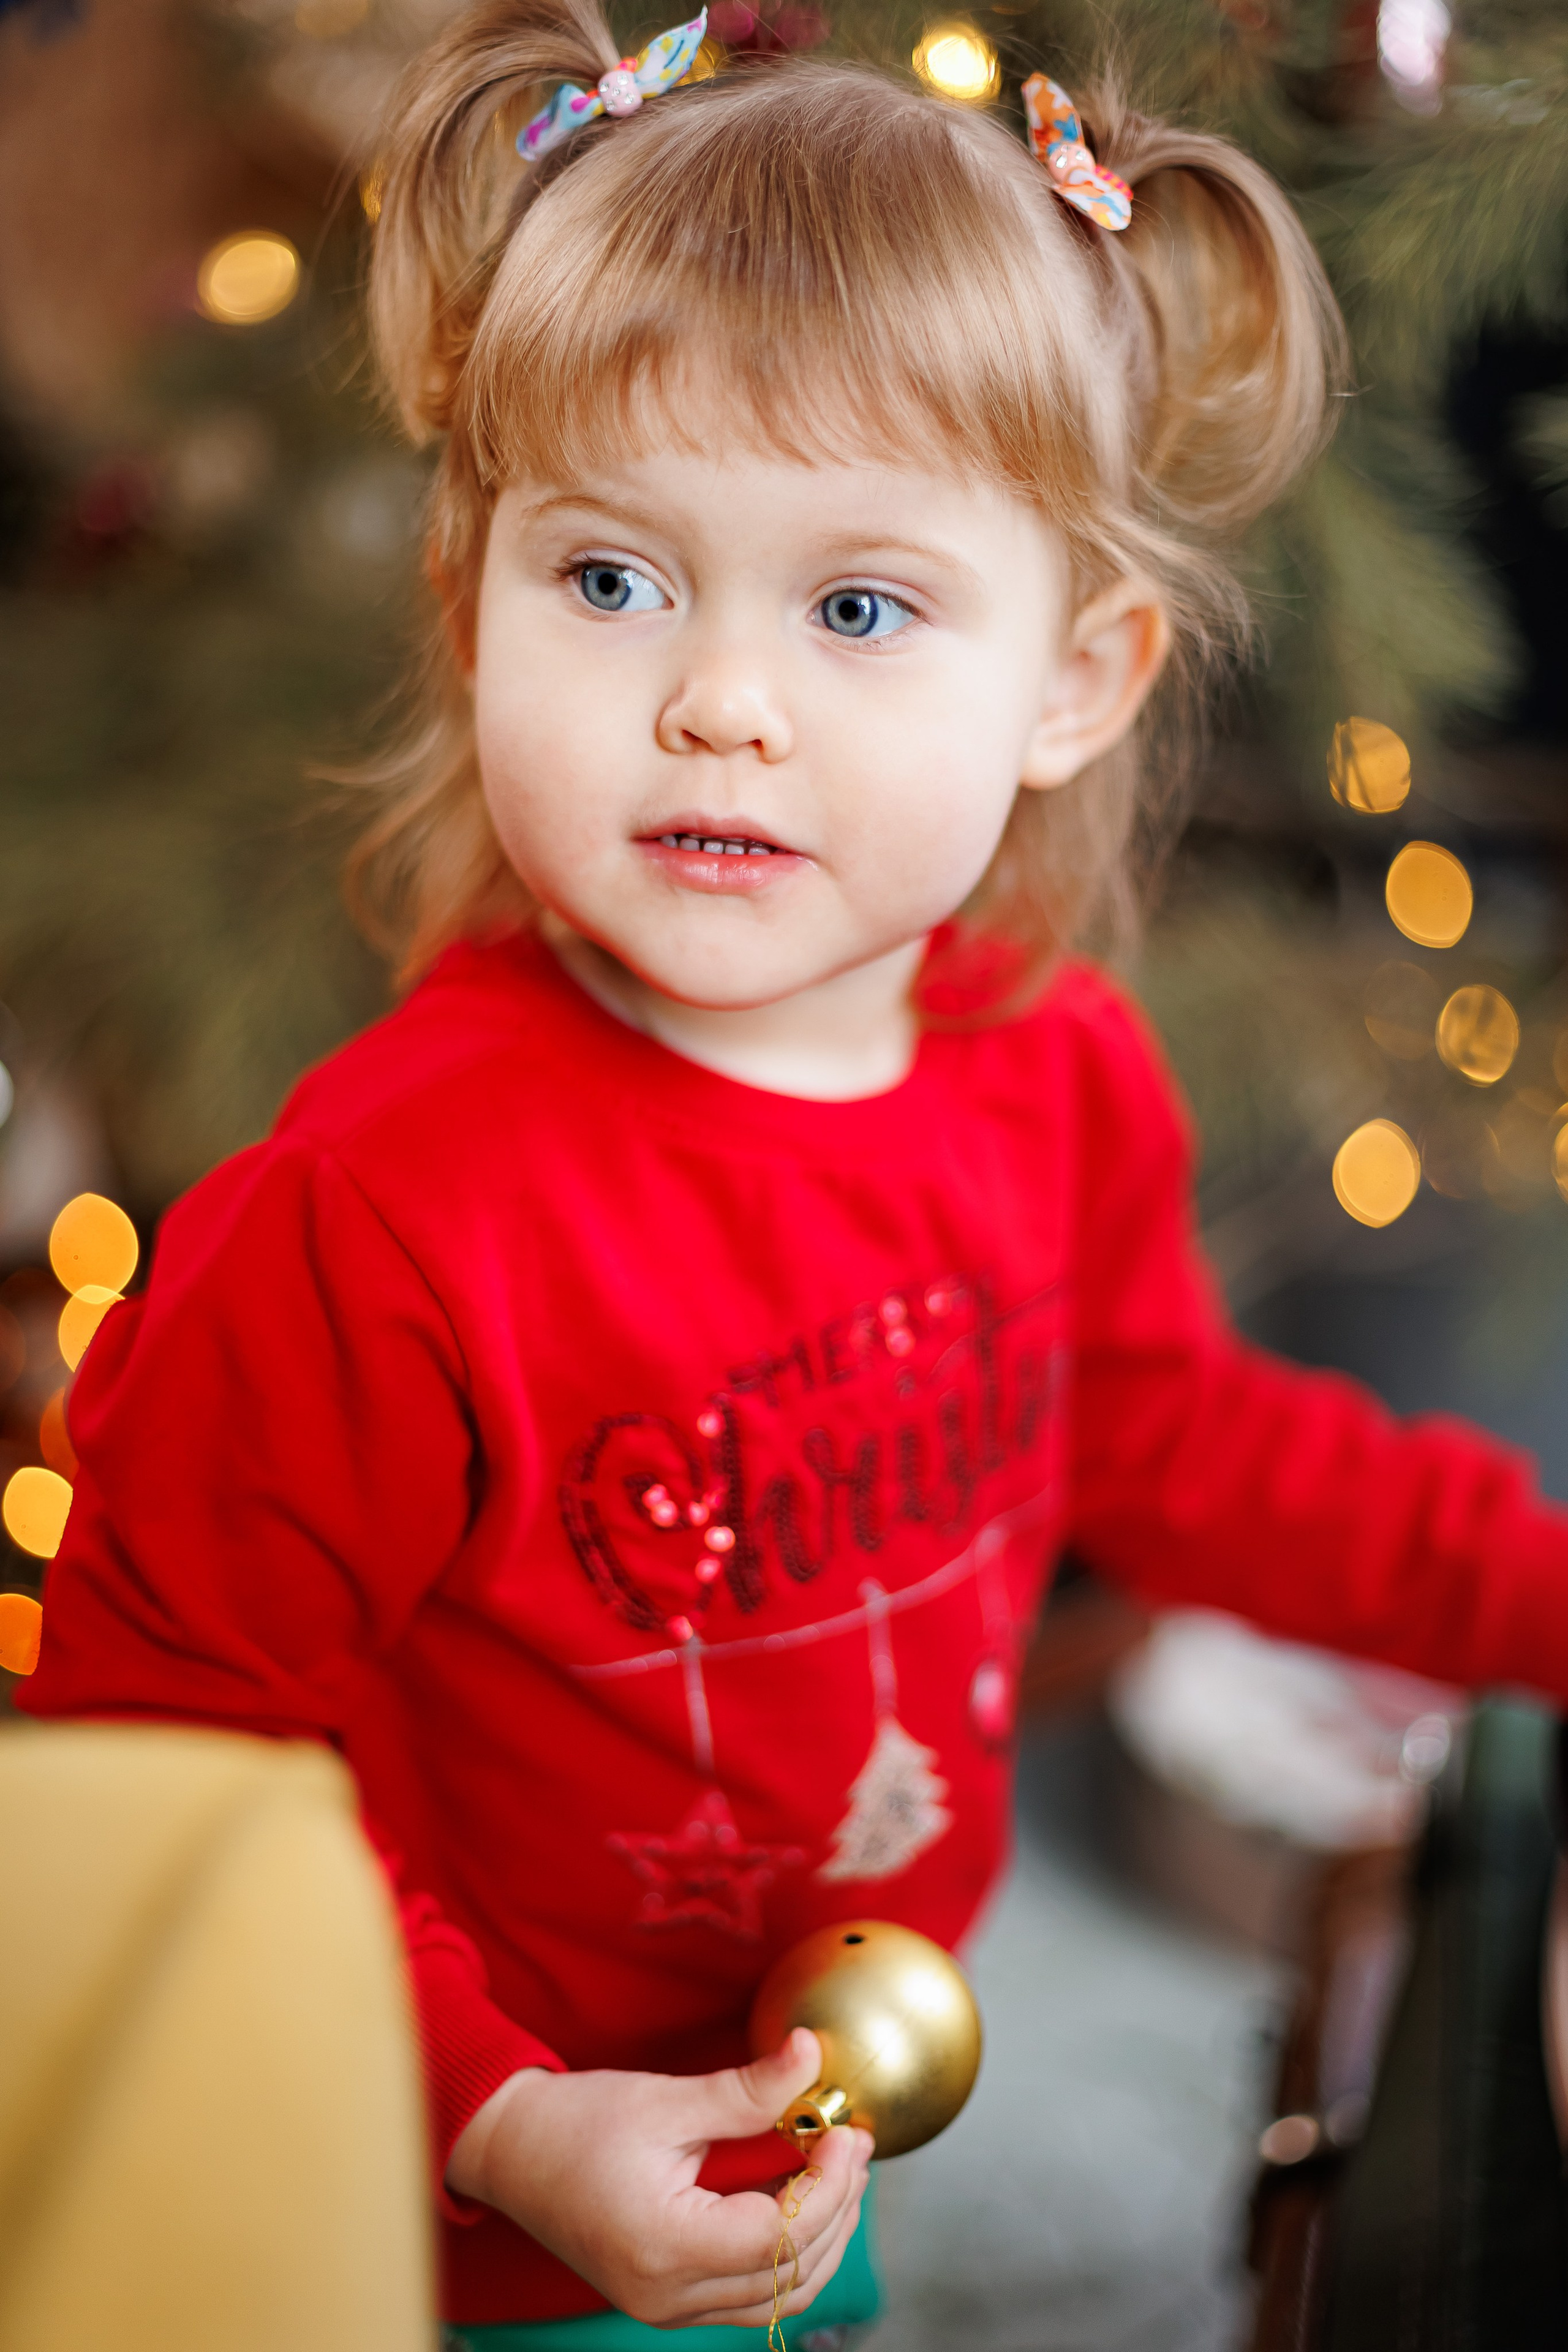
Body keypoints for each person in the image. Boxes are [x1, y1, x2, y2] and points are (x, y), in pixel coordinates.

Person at [20, 1, 1568, 2341]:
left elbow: (1181, 1446)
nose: (719, 701)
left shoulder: (1048, 1072)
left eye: (857, 607)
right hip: (443, 2226)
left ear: (1078, 679)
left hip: (805, 2135)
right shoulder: (376, 1225)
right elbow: (167, 1782)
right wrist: (502, 2120)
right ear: (466, 599)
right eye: (611, 579)